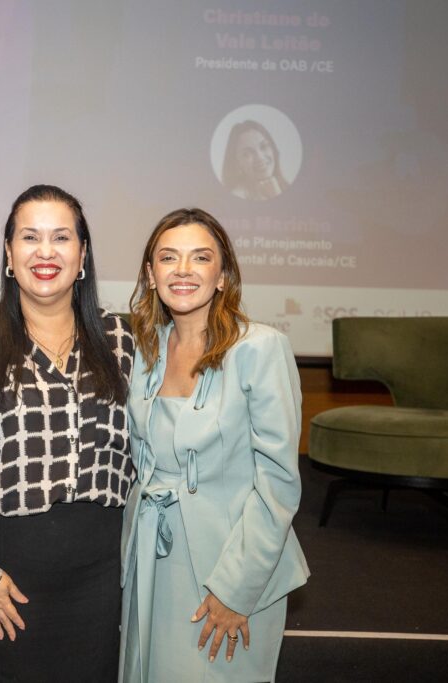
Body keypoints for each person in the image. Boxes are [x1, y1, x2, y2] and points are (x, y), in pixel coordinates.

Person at [0, 184, 134, 682]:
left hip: (102, 576)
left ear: (82, 255)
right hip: (5, 575)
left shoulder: (123, 341)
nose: (45, 252)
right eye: (30, 237)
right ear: (8, 253)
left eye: (61, 237)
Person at [120, 208, 309, 682]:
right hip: (150, 558)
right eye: (168, 258)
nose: (182, 270)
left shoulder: (260, 348)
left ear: (222, 275)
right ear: (150, 273)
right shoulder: (144, 348)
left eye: (200, 257)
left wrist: (235, 591)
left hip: (230, 567)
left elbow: (279, 485)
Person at [221, 120, 289, 200]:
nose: (260, 158)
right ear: (237, 163)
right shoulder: (237, 196)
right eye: (247, 154)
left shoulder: (284, 185)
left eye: (264, 146)